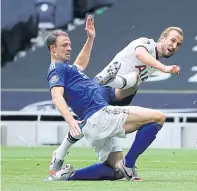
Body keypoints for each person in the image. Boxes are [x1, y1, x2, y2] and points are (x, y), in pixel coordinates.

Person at [49, 25, 184, 179]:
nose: (174, 46)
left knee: (115, 171)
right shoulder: (146, 43)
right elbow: (139, 54)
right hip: (102, 99)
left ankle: (65, 176)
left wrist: (90, 39)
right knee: (152, 107)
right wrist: (164, 68)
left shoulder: (68, 70)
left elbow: (81, 64)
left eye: (178, 44)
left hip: (102, 109)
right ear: (162, 38)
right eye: (172, 40)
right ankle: (129, 165)